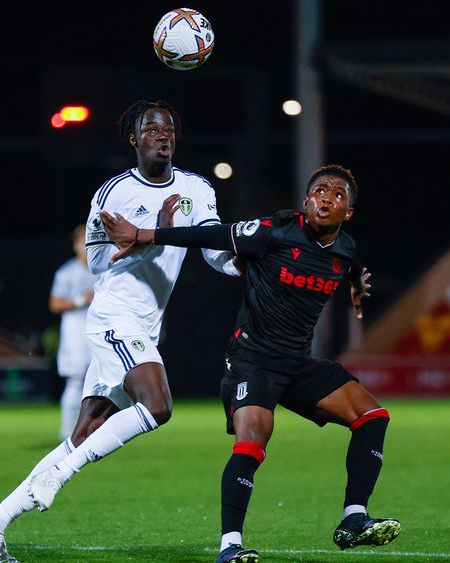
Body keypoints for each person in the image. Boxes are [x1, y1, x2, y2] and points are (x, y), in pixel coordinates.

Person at [0, 100, 240, 563]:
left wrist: (244, 264)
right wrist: (155, 236)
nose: (163, 135)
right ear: (134, 139)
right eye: (152, 129)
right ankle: (61, 474)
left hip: (147, 324)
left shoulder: (197, 188)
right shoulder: (111, 193)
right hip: (114, 316)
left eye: (169, 128)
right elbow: (97, 266)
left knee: (85, 429)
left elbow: (212, 247)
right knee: (158, 405)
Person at [100, 164, 400, 562]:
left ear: (348, 213)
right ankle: (230, 547)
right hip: (252, 360)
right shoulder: (274, 230)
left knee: (373, 416)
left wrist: (357, 287)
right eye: (319, 190)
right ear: (306, 201)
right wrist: (142, 234)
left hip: (297, 364)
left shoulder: (345, 249)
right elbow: (208, 233)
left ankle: (353, 518)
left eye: (338, 194)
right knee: (255, 438)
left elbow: (350, 270)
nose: (326, 197)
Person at [48, 225, 97, 440]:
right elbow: (55, 304)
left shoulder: (105, 268)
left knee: (101, 381)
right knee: (75, 379)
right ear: (75, 245)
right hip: (75, 329)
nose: (86, 247)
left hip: (99, 326)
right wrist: (81, 299)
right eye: (81, 242)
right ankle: (67, 433)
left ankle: (96, 430)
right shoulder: (67, 272)